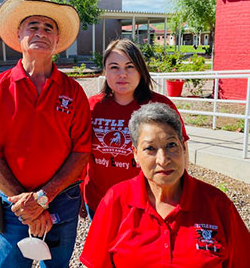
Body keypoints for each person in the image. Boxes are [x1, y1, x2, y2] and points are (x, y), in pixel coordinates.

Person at [0, 0, 91, 267]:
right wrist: (27, 205)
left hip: (62, 200)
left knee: (56, 265)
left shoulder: (73, 91)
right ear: (19, 34)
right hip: (13, 204)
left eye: (48, 27)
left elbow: (81, 151)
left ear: (56, 40)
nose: (40, 32)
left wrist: (44, 198)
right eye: (33, 25)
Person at [80, 102, 250, 268]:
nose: (163, 160)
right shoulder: (116, 200)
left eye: (171, 145)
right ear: (135, 154)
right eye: (150, 148)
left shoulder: (217, 203)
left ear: (184, 148)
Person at [82, 39, 189, 219]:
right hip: (100, 201)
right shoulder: (92, 106)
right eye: (114, 67)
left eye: (130, 66)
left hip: (148, 203)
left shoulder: (160, 105)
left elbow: (181, 151)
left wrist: (181, 192)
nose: (122, 74)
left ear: (141, 69)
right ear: (105, 72)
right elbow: (81, 152)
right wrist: (78, 194)